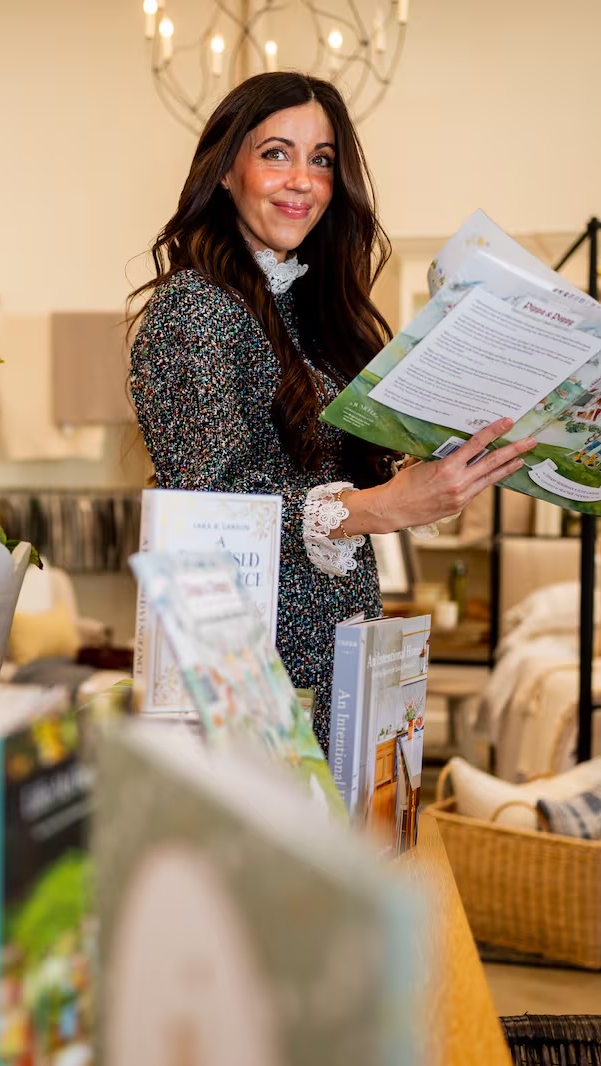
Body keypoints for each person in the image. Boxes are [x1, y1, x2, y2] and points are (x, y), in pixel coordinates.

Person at [128, 72, 537, 753]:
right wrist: (385, 507)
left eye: (322, 160)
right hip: (249, 672)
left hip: (332, 654)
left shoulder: (314, 310)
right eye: (276, 153)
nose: (303, 181)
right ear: (225, 170)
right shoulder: (194, 308)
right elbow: (211, 509)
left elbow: (316, 471)